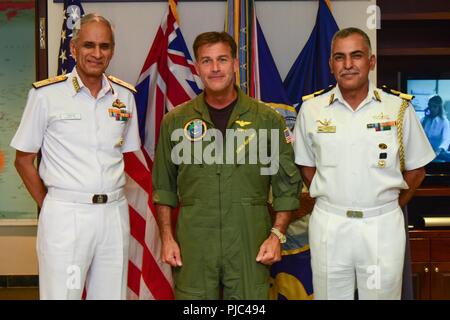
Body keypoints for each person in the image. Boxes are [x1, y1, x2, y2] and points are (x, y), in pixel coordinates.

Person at [152, 31, 301, 300]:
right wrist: (167, 238)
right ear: (197, 68)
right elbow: (164, 187)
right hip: (194, 242)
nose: (215, 68)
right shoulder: (175, 121)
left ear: (235, 63)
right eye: (206, 61)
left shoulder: (267, 120)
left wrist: (276, 235)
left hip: (249, 241)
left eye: (222, 59)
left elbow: (286, 188)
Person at [293, 27, 435, 300]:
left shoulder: (397, 108)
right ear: (331, 64)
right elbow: (307, 167)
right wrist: (337, 195)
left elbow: (417, 170)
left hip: (382, 226)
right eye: (339, 57)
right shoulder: (312, 110)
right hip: (330, 224)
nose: (348, 65)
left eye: (356, 56)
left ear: (371, 61)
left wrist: (385, 205)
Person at [10, 13, 140, 299]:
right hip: (66, 215)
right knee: (63, 295)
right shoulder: (46, 95)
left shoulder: (125, 97)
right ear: (73, 48)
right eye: (88, 45)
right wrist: (50, 206)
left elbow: (127, 156)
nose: (96, 53)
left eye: (104, 46)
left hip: (113, 215)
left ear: (112, 50)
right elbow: (23, 159)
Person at [421, 95, 450, 160]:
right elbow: (418, 135)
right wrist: (425, 118)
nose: (432, 109)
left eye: (435, 106)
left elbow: (446, 140)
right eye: (430, 106)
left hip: (438, 153)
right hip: (425, 152)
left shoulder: (444, 122)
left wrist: (438, 151)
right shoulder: (424, 120)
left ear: (439, 108)